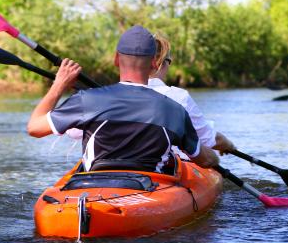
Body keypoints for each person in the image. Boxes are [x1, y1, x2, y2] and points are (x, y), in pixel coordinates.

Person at [26, 25, 219, 172]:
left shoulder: (87, 100)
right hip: (149, 190)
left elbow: (34, 128)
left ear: (116, 59)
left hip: (93, 191)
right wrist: (214, 158)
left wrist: (59, 84)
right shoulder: (174, 110)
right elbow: (204, 159)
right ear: (154, 63)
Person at [148, 35, 236, 156]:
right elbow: (209, 139)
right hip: (168, 167)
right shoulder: (178, 96)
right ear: (160, 63)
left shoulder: (119, 95)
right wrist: (229, 145)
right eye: (169, 61)